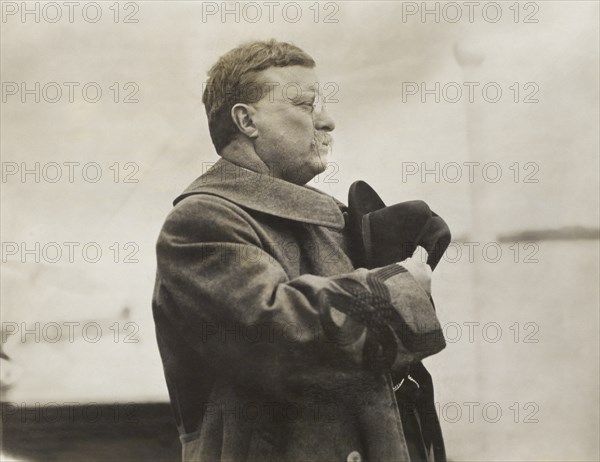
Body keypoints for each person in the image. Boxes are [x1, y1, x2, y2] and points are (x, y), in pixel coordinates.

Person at [153, 39, 446, 462]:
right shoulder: (200, 224)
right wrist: (398, 290)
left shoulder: (327, 220)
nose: (327, 121)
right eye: (307, 105)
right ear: (246, 120)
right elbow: (278, 336)